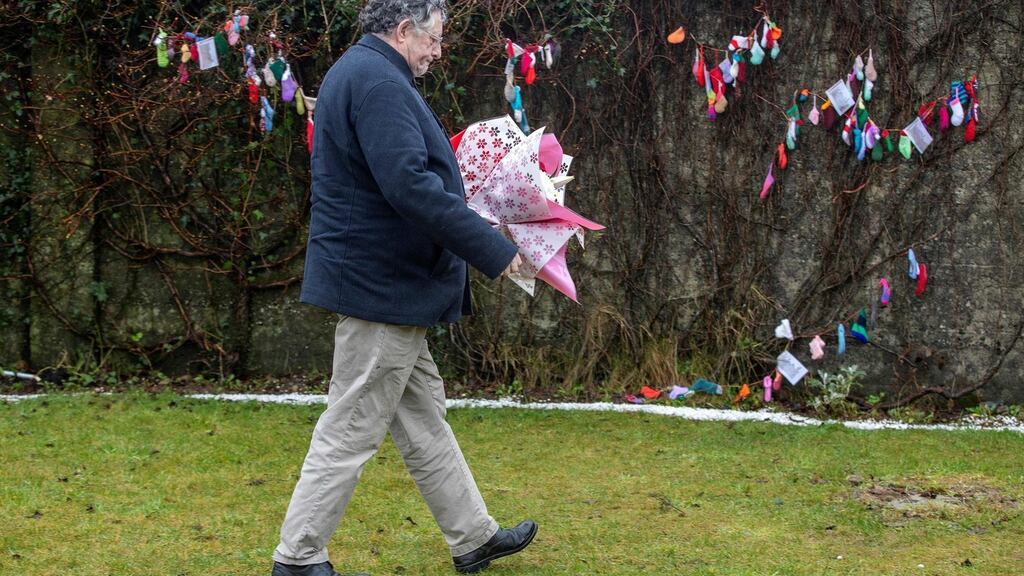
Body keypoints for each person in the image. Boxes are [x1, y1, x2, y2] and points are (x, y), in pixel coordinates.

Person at [270, 1, 536, 575]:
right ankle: (296, 559)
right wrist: (496, 250)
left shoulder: (362, 73)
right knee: (350, 427)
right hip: (382, 290)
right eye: (433, 39)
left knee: (421, 418)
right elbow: (410, 187)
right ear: (401, 29)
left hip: (386, 287)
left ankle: (474, 538)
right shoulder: (377, 82)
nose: (438, 51)